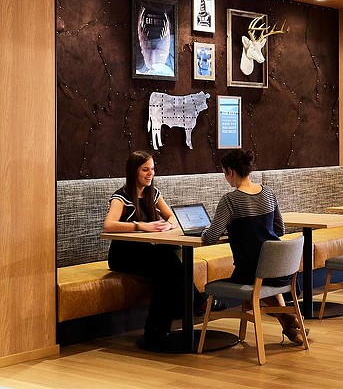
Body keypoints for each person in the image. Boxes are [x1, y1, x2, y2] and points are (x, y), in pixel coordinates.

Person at [201, 149, 308, 344]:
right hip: (279, 267)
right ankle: (291, 323)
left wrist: (208, 229)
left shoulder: (230, 200)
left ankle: (289, 320)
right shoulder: (267, 192)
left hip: (250, 269)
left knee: (256, 281)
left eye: (224, 173)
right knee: (264, 279)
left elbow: (210, 237)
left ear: (230, 171)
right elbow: (280, 229)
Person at [103, 150, 192, 349]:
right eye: (145, 170)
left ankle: (157, 333)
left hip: (145, 253)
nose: (150, 174)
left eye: (152, 169)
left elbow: (173, 217)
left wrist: (167, 225)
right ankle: (195, 301)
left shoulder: (153, 194)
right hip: (123, 255)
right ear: (133, 171)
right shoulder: (121, 196)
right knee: (165, 259)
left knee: (165, 269)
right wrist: (141, 226)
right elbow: (108, 225)